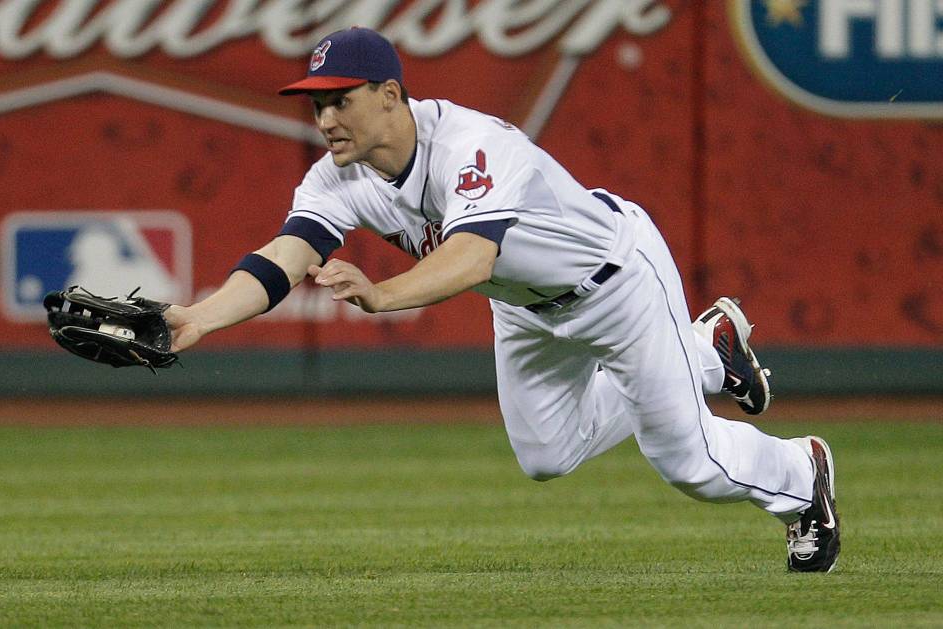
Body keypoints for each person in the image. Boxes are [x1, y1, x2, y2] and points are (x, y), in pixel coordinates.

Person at [164, 27, 840, 572]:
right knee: (545, 454)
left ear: (391, 95)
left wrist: (381, 294)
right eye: (318, 103)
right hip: (525, 306)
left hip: (617, 281)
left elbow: (472, 256)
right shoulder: (337, 177)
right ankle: (701, 352)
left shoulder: (473, 144)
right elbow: (283, 258)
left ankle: (799, 473)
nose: (327, 117)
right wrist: (198, 317)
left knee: (688, 462)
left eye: (341, 98)